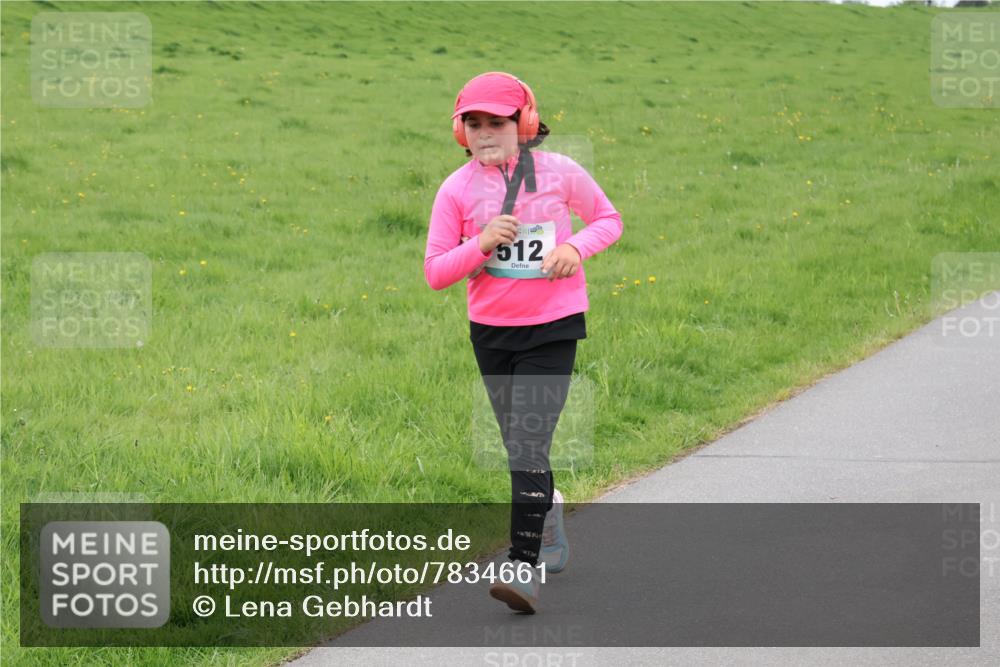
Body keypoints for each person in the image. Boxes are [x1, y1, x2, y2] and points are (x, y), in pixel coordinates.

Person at [423, 71, 623, 613]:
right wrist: (480, 245)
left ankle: (522, 564)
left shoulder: (560, 172)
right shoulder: (456, 189)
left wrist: (577, 249)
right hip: (491, 332)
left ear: (525, 123)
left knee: (528, 443)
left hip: (554, 326)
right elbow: (436, 272)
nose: (486, 133)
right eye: (474, 123)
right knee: (519, 446)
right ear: (461, 130)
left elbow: (608, 219)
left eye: (498, 122)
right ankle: (550, 515)